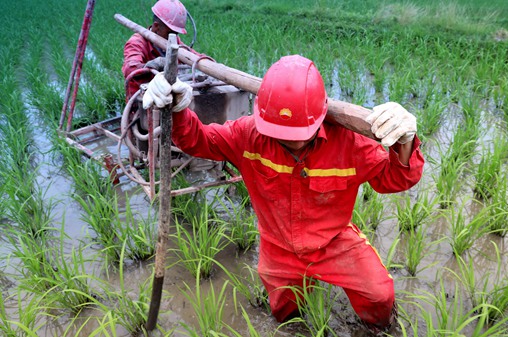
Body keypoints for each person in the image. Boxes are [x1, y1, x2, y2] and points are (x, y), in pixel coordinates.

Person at [142, 55, 424, 332]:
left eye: (297, 132)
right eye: (278, 132)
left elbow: (396, 179)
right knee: (286, 314)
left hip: (334, 242)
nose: (288, 139)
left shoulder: (351, 143)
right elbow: (199, 140)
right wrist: (178, 111)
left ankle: (378, 329)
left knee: (379, 294)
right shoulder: (249, 135)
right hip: (278, 247)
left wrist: (405, 141)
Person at [121, 0, 214, 100]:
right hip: (143, 103)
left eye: (176, 33)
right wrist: (153, 64)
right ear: (156, 27)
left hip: (168, 98)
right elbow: (130, 69)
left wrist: (211, 65)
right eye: (170, 33)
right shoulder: (137, 42)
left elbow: (191, 55)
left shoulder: (173, 40)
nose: (174, 37)